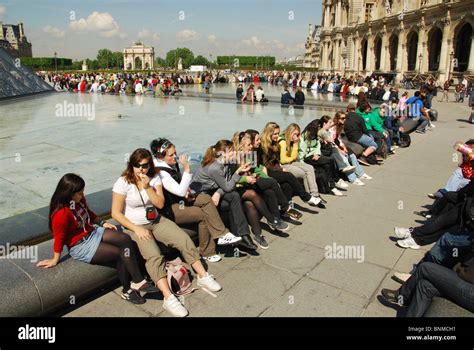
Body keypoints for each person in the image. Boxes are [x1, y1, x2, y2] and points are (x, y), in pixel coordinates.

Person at [112, 148, 222, 317]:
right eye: (137, 166)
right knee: (154, 255)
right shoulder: (123, 182)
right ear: (131, 165)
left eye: (145, 166)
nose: (141, 169)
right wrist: (136, 228)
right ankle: (168, 297)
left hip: (156, 221)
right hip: (136, 226)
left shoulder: (154, 177)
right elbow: (116, 213)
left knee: (183, 239)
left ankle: (203, 275)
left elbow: (160, 203)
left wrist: (147, 186)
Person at [37, 173, 161, 305]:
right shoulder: (61, 214)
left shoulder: (78, 200)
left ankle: (138, 281)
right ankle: (127, 290)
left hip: (92, 232)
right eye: (79, 193)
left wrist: (102, 223)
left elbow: (88, 213)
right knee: (119, 254)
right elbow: (59, 238)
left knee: (125, 239)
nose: (82, 195)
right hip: (80, 245)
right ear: (68, 194)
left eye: (82, 191)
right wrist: (55, 259)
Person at [150, 138, 241, 263]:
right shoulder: (161, 172)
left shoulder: (169, 164)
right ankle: (207, 252)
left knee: (206, 199)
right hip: (170, 209)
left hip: (180, 200)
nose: (175, 156)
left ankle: (222, 234)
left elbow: (180, 188)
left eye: (175, 153)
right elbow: (179, 191)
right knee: (203, 215)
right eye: (171, 155)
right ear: (160, 156)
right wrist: (187, 169)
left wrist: (187, 192)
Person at [190, 140, 258, 250]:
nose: (234, 153)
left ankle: (243, 236)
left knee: (234, 196)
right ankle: (240, 237)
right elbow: (227, 186)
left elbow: (227, 184)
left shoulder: (226, 163)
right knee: (233, 198)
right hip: (200, 197)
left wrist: (218, 192)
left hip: (213, 191)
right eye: (231, 151)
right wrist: (237, 173)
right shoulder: (215, 168)